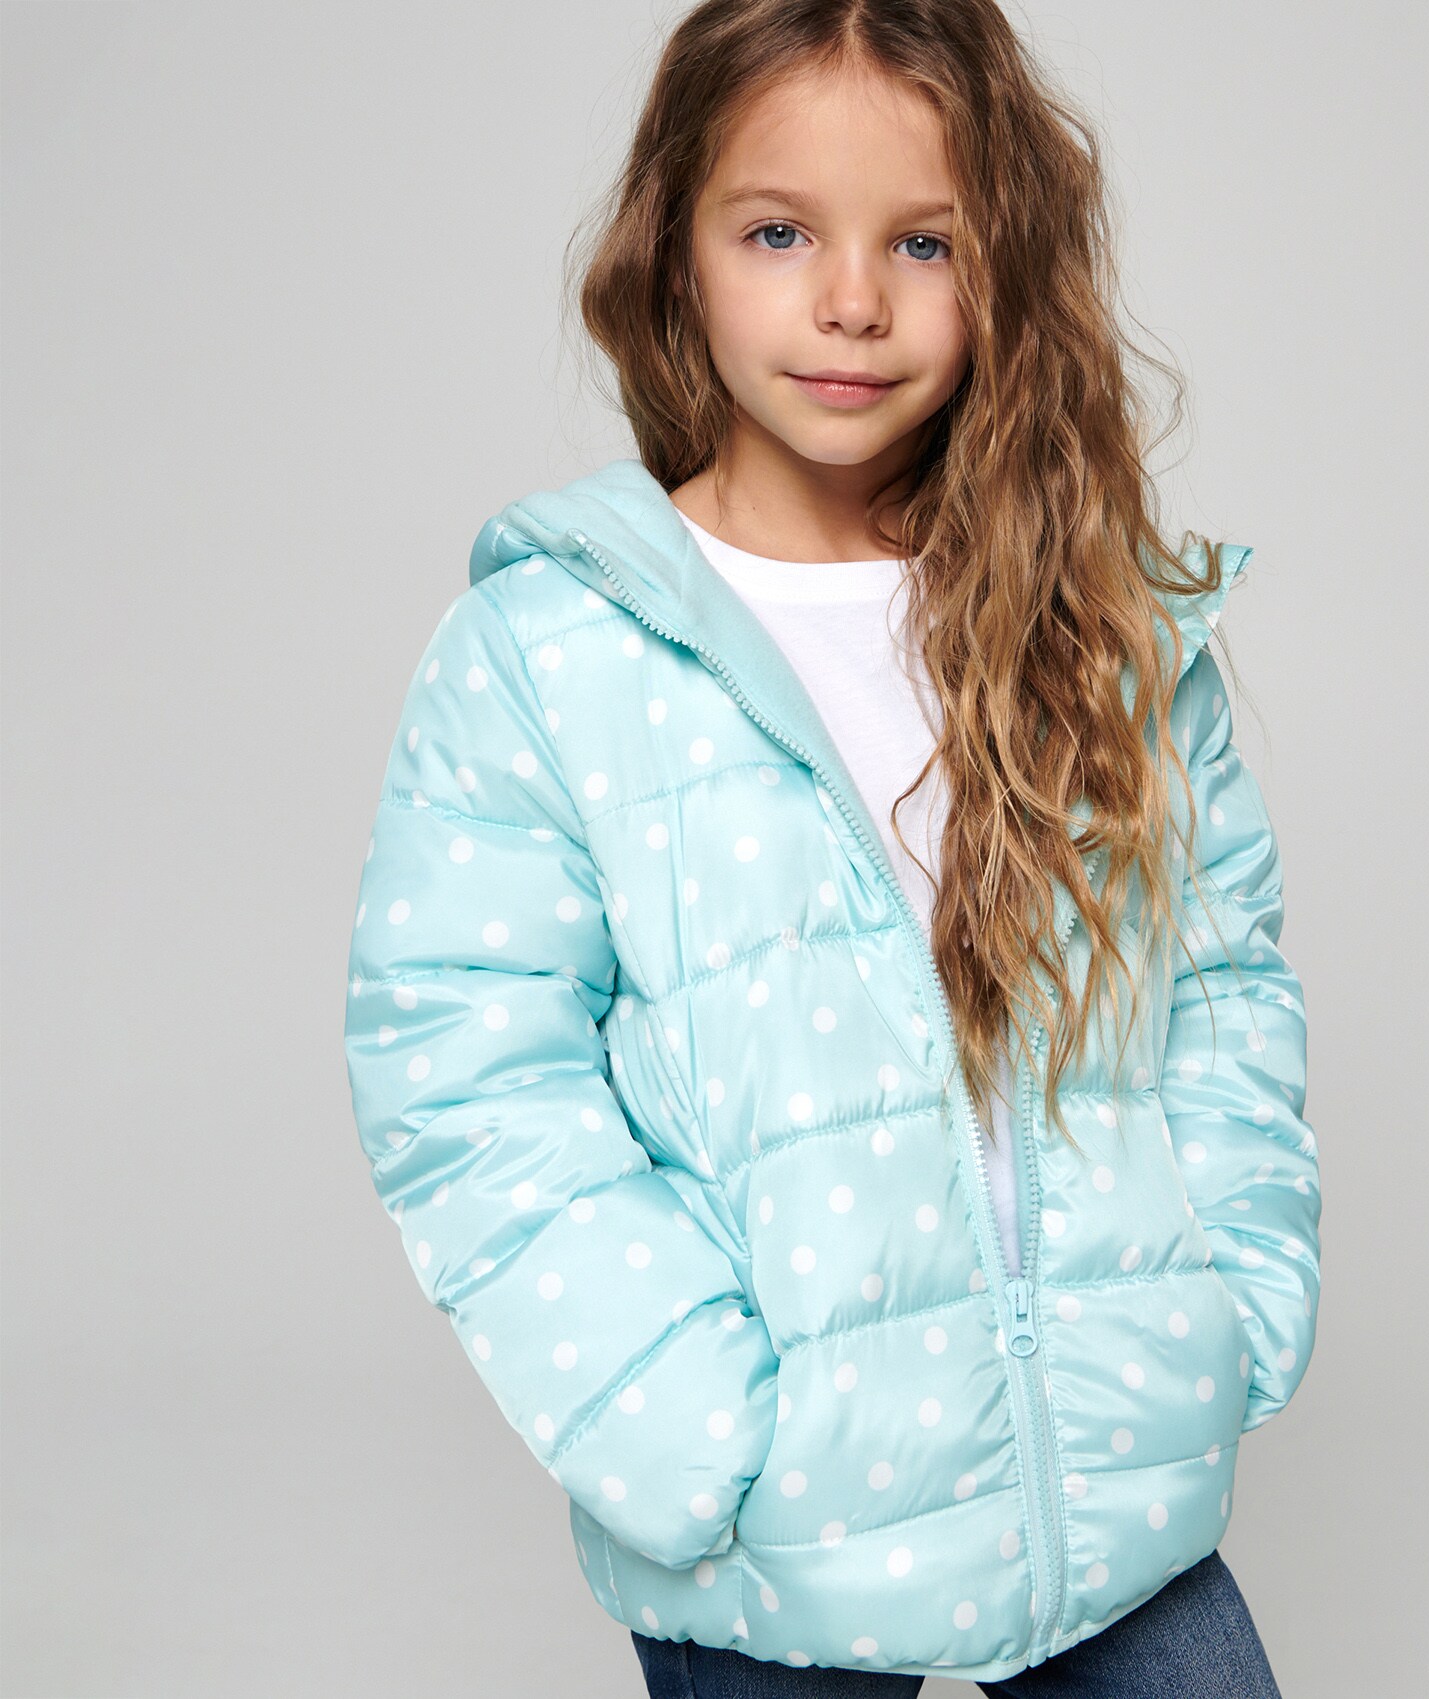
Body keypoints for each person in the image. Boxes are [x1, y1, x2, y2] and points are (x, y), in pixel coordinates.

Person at [342, 0, 1321, 1692]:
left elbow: (1221, 977)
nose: (852, 300)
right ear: (675, 249)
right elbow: (465, 1065)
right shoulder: (555, 651)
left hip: (1109, 1480)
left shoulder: (1097, 629)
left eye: (924, 243)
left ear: (1005, 265)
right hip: (776, 1525)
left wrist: (1234, 1297)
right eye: (780, 232)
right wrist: (686, 1429)